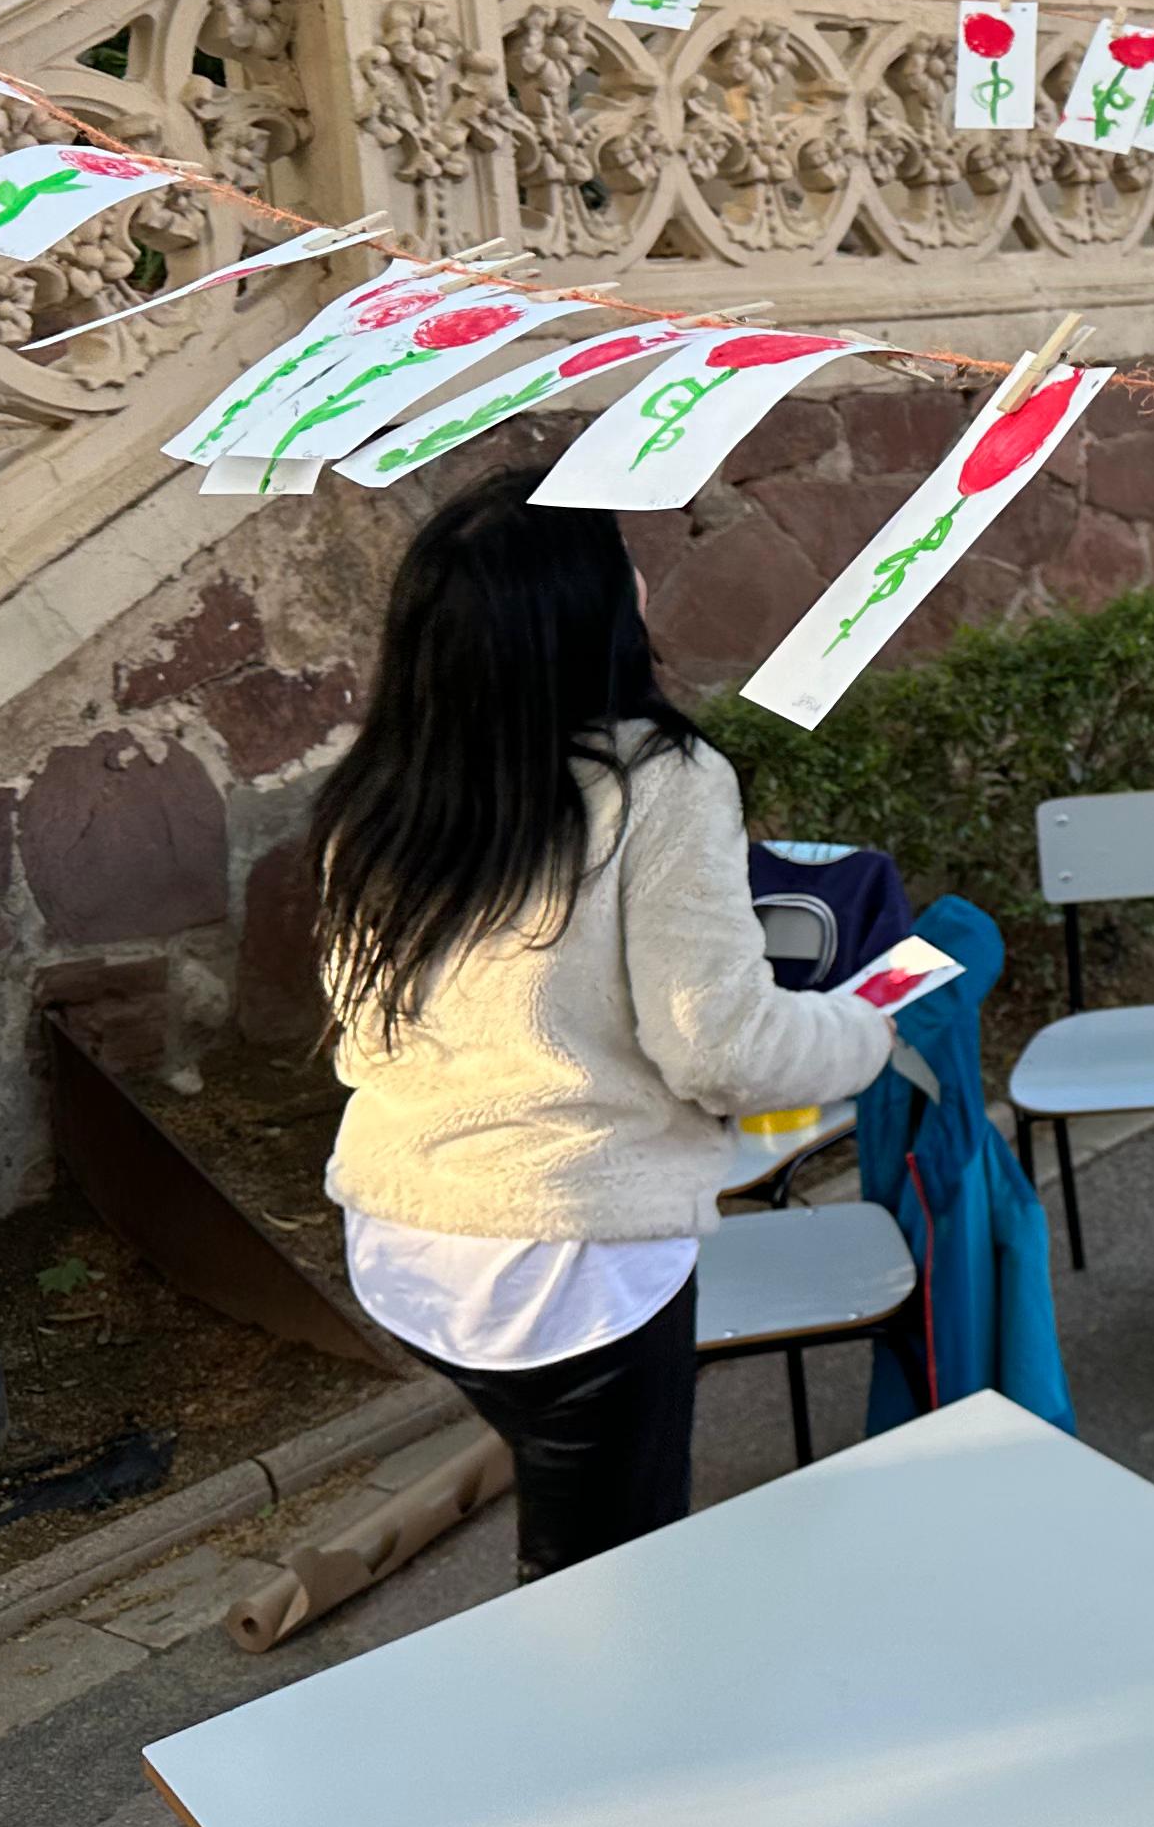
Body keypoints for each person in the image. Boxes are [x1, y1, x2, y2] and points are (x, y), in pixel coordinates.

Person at [312, 474, 890, 1582]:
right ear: (585, 608)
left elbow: (360, 1021)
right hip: (568, 1265)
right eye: (616, 556)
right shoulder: (658, 783)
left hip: (402, 1239)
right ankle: (601, 1743)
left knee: (569, 1520)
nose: (636, 572)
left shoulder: (383, 787)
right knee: (607, 1578)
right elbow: (721, 1049)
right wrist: (860, 1028)